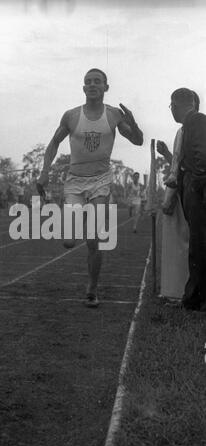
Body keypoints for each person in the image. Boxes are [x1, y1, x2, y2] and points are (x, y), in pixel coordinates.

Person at [37, 68, 143, 307]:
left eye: (97, 81)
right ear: (83, 88)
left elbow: (137, 141)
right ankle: (73, 225)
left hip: (101, 181)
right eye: (88, 82)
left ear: (106, 87)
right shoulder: (71, 116)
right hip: (75, 181)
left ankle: (92, 289)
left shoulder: (114, 115)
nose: (92, 85)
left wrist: (134, 122)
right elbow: (54, 143)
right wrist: (45, 172)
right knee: (68, 242)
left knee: (94, 239)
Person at [157, 91, 200, 301]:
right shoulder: (181, 131)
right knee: (186, 242)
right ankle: (180, 290)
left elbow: (188, 167)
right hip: (185, 188)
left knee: (193, 243)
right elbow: (179, 163)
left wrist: (174, 193)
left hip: (193, 189)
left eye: (171, 105)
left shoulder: (195, 127)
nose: (171, 109)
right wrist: (166, 153)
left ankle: (187, 293)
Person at [169, 88, 206, 311]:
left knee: (199, 243)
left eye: (171, 106)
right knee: (198, 242)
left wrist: (199, 180)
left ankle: (195, 299)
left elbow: (202, 152)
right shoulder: (190, 125)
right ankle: (194, 297)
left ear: (176, 105)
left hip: (198, 185)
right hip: (193, 183)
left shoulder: (196, 120)